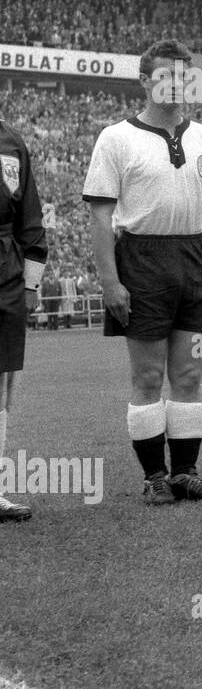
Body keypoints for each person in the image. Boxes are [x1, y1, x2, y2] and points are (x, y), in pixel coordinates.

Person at [83, 39, 202, 505]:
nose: (177, 84)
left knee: (189, 374)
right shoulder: (115, 138)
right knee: (148, 376)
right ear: (145, 81)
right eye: (166, 76)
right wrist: (111, 281)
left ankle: (186, 473)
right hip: (142, 263)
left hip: (195, 263)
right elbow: (99, 217)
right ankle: (154, 476)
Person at [0, 115, 47, 522]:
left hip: (4, 275)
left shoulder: (12, 141)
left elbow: (30, 219)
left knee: (0, 385)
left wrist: (31, 286)